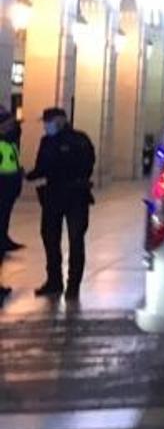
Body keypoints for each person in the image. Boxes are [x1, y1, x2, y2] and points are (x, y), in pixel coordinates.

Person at [26, 108, 95, 300]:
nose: (46, 125)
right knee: (57, 239)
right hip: (63, 195)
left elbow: (45, 167)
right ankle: (61, 283)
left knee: (68, 240)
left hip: (67, 195)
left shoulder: (73, 140)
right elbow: (42, 167)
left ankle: (65, 284)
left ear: (62, 120)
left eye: (49, 121)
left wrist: (33, 175)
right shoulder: (53, 140)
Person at [0, 109, 24, 252]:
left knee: (5, 215)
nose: (12, 127)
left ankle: (4, 239)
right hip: (2, 183)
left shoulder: (11, 142)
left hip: (11, 183)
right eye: (9, 124)